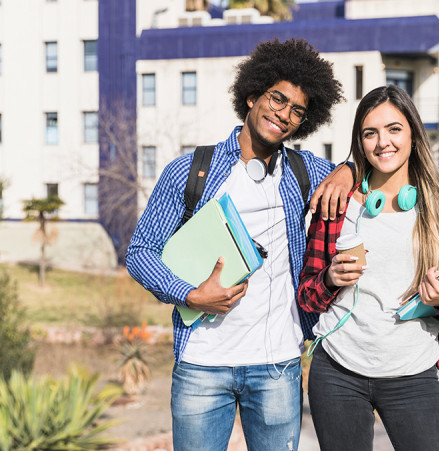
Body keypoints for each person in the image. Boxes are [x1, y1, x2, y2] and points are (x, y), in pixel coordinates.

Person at [126, 38, 352, 451]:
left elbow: (369, 167)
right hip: (202, 366)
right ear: (252, 96)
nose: (283, 115)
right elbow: (140, 252)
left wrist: (349, 169)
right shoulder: (191, 171)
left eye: (297, 111)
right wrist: (192, 294)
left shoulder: (307, 171)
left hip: (277, 366)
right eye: (277, 99)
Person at [297, 85, 439, 451]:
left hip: (412, 373)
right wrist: (330, 279)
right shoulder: (338, 205)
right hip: (338, 372)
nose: (383, 142)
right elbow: (307, 295)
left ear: (413, 134)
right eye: (371, 133)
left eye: (394, 129)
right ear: (360, 142)